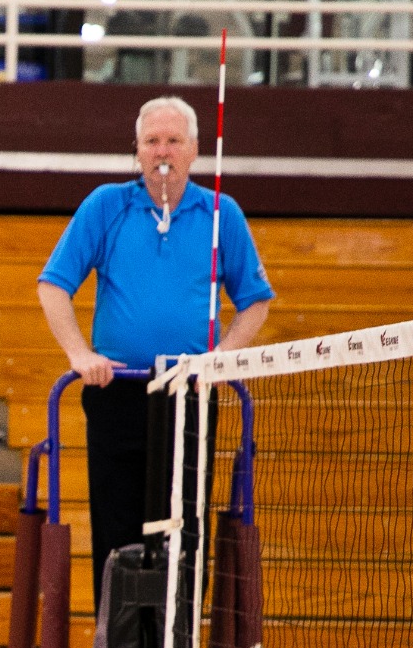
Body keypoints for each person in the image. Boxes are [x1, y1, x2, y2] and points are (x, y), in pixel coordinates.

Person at [36, 95, 276, 604]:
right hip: (117, 393)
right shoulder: (106, 205)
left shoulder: (220, 214)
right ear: (137, 151)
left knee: (182, 536)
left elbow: (255, 303)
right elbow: (53, 285)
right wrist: (80, 354)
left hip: (189, 397)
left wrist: (221, 359)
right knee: (116, 534)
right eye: (151, 142)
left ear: (193, 150)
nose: (162, 152)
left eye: (172, 141)